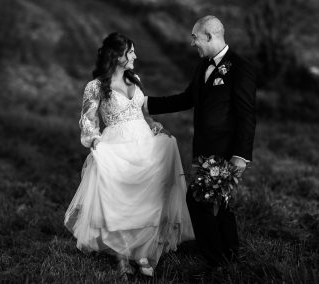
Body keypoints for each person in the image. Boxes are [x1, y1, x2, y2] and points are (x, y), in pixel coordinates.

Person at [64, 32, 194, 277]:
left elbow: (142, 113)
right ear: (117, 55)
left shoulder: (135, 78)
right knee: (120, 199)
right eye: (131, 51)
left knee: (149, 196)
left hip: (144, 143)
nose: (135, 55)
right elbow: (87, 119)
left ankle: (144, 250)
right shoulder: (95, 86)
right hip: (117, 145)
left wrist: (153, 124)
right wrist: (93, 139)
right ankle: (122, 257)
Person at [145, 15, 257, 268]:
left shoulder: (240, 68)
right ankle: (230, 255)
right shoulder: (202, 66)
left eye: (195, 37)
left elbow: (247, 115)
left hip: (224, 152)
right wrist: (147, 103)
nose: (192, 42)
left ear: (210, 36)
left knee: (197, 202)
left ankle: (214, 261)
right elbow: (187, 99)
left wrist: (240, 155)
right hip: (203, 150)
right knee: (220, 204)